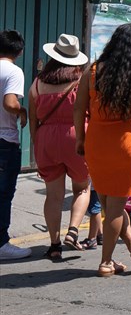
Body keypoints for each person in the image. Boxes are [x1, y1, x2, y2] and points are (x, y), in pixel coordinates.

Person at [74, 23, 131, 276]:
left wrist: (80, 138)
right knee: (115, 206)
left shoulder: (93, 72)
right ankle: (106, 261)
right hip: (127, 145)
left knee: (108, 202)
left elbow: (78, 108)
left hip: (96, 142)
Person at [28, 34, 91, 260]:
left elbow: (33, 119)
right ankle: (73, 231)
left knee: (53, 195)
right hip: (76, 137)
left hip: (46, 140)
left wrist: (38, 146)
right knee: (82, 188)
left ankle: (54, 245)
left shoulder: (37, 83)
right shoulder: (82, 80)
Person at [0, 30, 31, 261]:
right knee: (3, 194)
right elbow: (10, 102)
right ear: (19, 51)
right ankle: (1, 243)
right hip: (4, 141)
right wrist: (22, 111)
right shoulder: (13, 71)